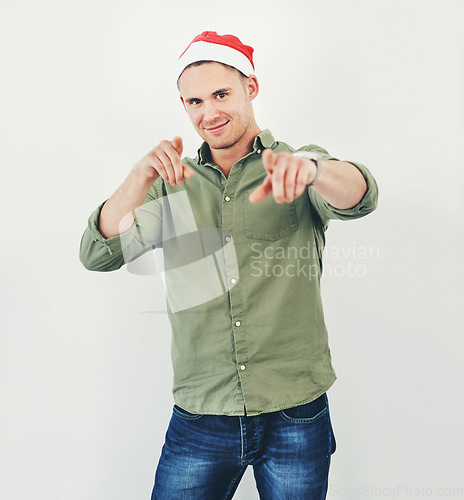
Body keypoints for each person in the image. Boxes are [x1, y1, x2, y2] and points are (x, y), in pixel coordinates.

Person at [80, 31, 378, 499]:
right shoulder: (170, 184)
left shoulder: (296, 165)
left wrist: (315, 171)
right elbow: (98, 253)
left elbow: (361, 197)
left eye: (221, 94)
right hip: (203, 413)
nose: (209, 112)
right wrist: (138, 177)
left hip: (295, 410)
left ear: (250, 88)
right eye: (195, 101)